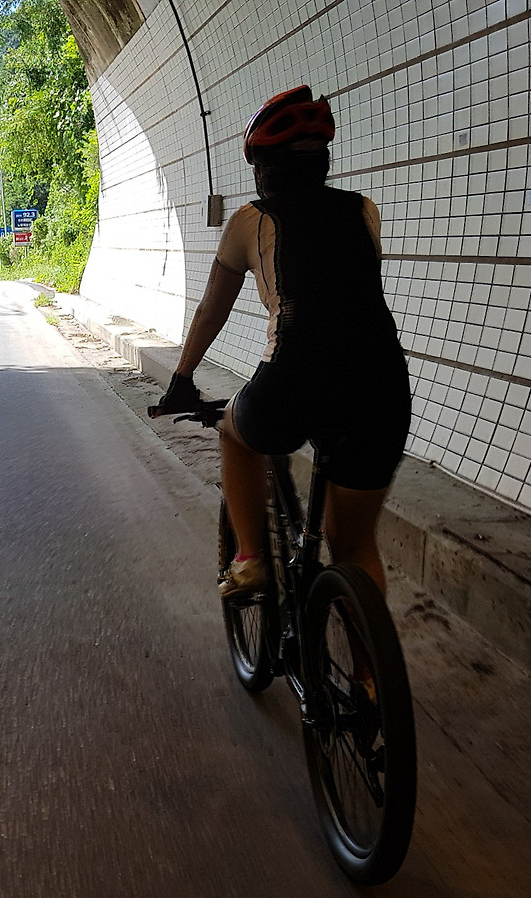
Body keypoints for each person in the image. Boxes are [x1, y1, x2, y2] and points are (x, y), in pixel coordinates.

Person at [156, 85, 411, 599]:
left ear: (262, 169)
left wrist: (182, 378)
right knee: (354, 544)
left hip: (294, 377)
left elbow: (211, 312)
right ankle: (368, 652)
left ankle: (250, 559)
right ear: (322, 162)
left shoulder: (249, 221)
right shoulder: (364, 210)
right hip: (382, 383)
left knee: (234, 433)